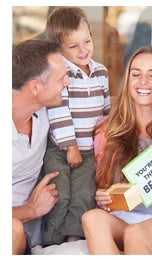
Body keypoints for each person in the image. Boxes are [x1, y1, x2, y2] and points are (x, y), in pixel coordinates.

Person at [81, 46, 152, 255]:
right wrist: (104, 198)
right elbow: (106, 187)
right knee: (91, 218)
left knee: (136, 233)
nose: (143, 82)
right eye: (136, 74)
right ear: (128, 80)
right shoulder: (107, 130)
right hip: (127, 216)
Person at [40, 7, 110, 246]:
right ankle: (51, 242)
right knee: (60, 193)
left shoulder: (101, 72)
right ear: (58, 49)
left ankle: (73, 240)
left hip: (89, 150)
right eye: (73, 46)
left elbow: (106, 111)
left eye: (87, 41)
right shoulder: (61, 73)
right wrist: (71, 146)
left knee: (83, 193)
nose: (83, 50)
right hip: (61, 148)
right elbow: (58, 111)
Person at [12, 39, 70, 255]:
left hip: (30, 238)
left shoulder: (44, 111)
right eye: (61, 78)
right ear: (35, 87)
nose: (68, 83)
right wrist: (31, 209)